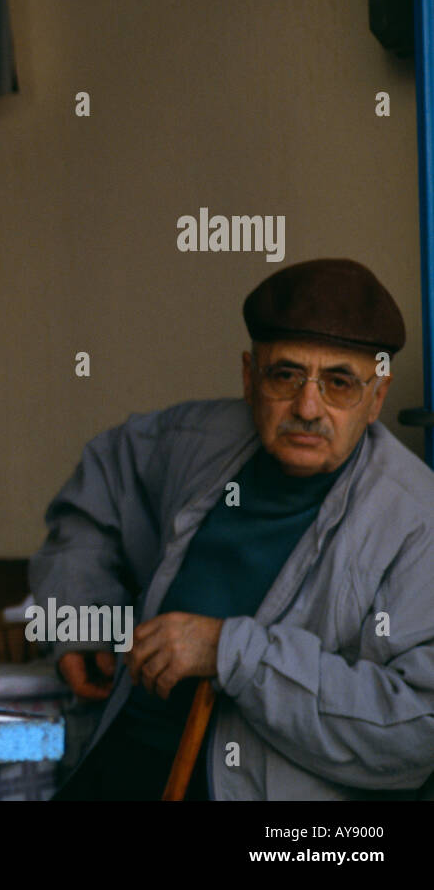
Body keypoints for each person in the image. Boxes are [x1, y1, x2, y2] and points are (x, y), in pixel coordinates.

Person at [29, 259, 434, 800]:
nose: (308, 408)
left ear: (376, 398)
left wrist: (231, 653)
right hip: (119, 764)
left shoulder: (416, 519)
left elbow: (416, 733)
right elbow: (104, 478)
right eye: (285, 375)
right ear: (250, 377)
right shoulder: (200, 439)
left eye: (340, 383)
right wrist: (82, 612)